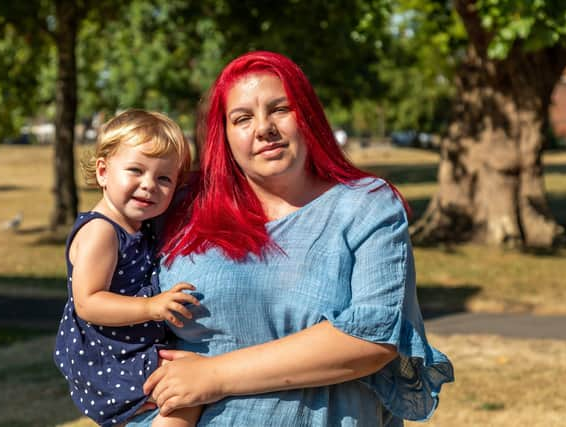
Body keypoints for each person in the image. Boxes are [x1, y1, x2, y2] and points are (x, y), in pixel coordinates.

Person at [129, 51, 454, 426]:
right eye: (242, 118)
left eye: (280, 109)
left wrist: (214, 375)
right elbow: (102, 285)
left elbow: (371, 340)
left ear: (308, 116)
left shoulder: (365, 206)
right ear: (225, 135)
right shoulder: (181, 206)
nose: (264, 127)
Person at [53, 109, 202, 427]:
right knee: (184, 397)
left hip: (128, 348)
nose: (149, 185)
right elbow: (88, 302)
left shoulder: (138, 225)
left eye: (164, 178)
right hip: (111, 357)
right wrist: (151, 307)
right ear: (104, 172)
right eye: (135, 170)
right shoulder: (102, 231)